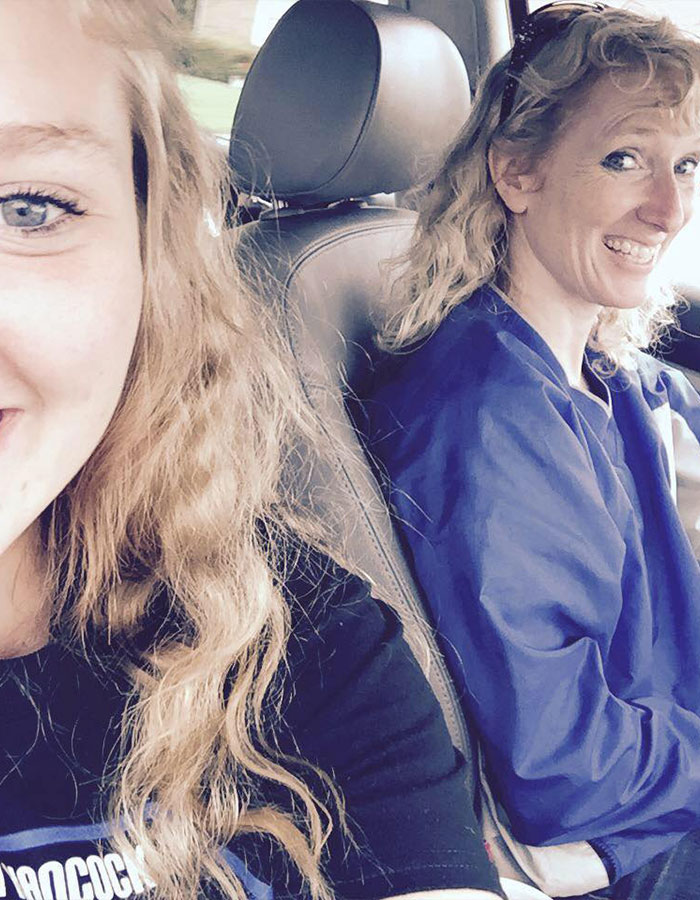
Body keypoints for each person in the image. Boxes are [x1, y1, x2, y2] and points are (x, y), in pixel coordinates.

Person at [0, 2, 519, 899]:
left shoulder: (289, 638)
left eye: (28, 205)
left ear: (150, 254)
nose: (671, 204)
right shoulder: (485, 379)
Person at [362, 3, 700, 899]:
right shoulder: (490, 424)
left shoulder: (597, 369)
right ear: (517, 170)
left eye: (688, 165)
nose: (668, 209)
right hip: (630, 844)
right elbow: (567, 766)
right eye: (624, 159)